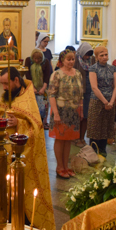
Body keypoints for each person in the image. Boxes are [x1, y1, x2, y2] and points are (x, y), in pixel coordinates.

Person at [0, 67, 55, 230]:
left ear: (16, 80)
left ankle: (26, 223)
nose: (3, 88)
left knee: (22, 190)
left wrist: (18, 123)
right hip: (6, 151)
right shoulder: (6, 96)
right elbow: (0, 114)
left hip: (23, 155)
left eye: (6, 84)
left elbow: (36, 127)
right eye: (1, 84)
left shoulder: (28, 97)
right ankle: (7, 220)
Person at [48, 50, 83, 178]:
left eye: (73, 59)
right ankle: (59, 167)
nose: (71, 61)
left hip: (73, 111)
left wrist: (80, 109)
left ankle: (66, 166)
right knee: (60, 138)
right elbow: (51, 95)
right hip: (60, 110)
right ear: (62, 60)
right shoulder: (57, 74)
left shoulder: (78, 73)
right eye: (68, 59)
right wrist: (56, 114)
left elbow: (80, 93)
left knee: (68, 139)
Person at [87, 46, 116, 156]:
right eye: (101, 55)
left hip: (110, 101)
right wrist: (105, 102)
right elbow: (94, 87)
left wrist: (111, 101)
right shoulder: (93, 68)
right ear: (96, 57)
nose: (104, 57)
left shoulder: (112, 68)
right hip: (97, 101)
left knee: (106, 126)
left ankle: (103, 150)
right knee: (95, 127)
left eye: (106, 55)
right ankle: (93, 151)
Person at [24, 48, 53, 126]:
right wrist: (32, 88)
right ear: (32, 57)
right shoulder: (28, 60)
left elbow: (47, 76)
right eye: (35, 59)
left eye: (39, 59)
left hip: (43, 87)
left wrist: (43, 89)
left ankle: (41, 123)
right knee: (32, 107)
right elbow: (28, 75)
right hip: (31, 87)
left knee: (43, 108)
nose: (36, 61)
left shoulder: (46, 62)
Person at [75, 42, 94, 146]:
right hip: (78, 91)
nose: (87, 57)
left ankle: (82, 138)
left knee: (86, 115)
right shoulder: (76, 59)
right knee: (78, 115)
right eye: (86, 54)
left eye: (89, 55)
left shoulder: (92, 60)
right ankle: (75, 137)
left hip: (89, 91)